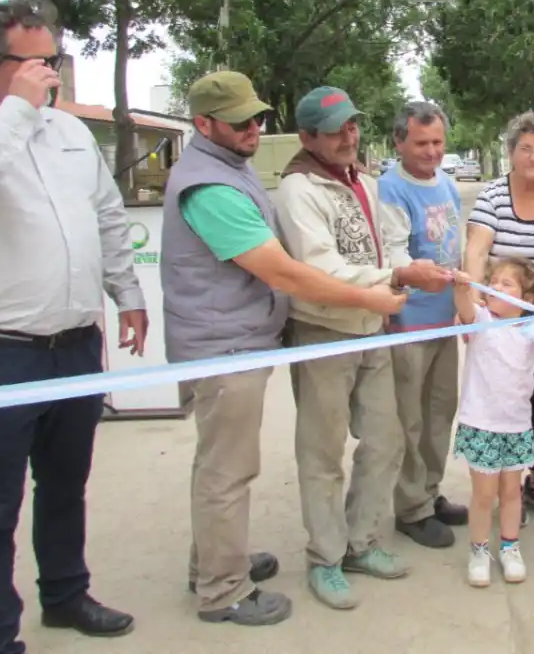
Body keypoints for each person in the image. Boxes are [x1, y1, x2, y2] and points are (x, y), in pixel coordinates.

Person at [0, 0, 148, 654]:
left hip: (73, 344)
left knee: (66, 484)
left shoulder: (68, 132)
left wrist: (126, 291)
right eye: (35, 62)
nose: (51, 73)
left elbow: (106, 215)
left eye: (54, 59)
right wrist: (13, 112)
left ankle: (66, 594)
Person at [162, 72, 406, 628]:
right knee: (238, 469)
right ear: (203, 125)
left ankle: (228, 563)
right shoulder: (216, 186)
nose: (254, 128)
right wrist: (380, 289)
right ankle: (226, 588)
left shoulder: (237, 166)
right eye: (241, 121)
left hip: (277, 337)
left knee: (379, 440)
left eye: (258, 118)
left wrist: (381, 294)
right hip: (233, 345)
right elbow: (289, 272)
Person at [275, 86, 452, 611]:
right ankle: (325, 558)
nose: (349, 137)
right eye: (336, 131)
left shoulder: (364, 184)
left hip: (373, 328)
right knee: (323, 452)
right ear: (308, 137)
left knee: (386, 440)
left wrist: (398, 288)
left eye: (352, 126)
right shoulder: (298, 190)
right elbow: (319, 268)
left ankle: (361, 542)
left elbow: (384, 244)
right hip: (322, 332)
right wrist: (397, 274)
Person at [465, 110, 534, 521]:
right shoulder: (494, 196)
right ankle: (500, 481)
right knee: (502, 395)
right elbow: (477, 249)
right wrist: (478, 307)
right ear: (512, 153)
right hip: (501, 316)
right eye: (526, 148)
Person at [379, 101, 468, 549]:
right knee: (408, 419)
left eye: (437, 142)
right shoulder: (391, 189)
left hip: (445, 321)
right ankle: (410, 508)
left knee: (439, 413)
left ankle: (430, 493)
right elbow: (393, 254)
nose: (431, 152)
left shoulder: (447, 185)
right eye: (421, 143)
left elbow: (458, 242)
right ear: (399, 142)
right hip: (409, 323)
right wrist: (415, 273)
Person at [451, 257, 534, 587]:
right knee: (484, 496)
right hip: (482, 425)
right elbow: (466, 308)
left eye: (507, 283)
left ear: (526, 299)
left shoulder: (529, 327)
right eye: (494, 281)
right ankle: (479, 550)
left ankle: (510, 546)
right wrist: (462, 290)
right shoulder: (482, 320)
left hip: (517, 426)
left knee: (512, 493)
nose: (496, 287)